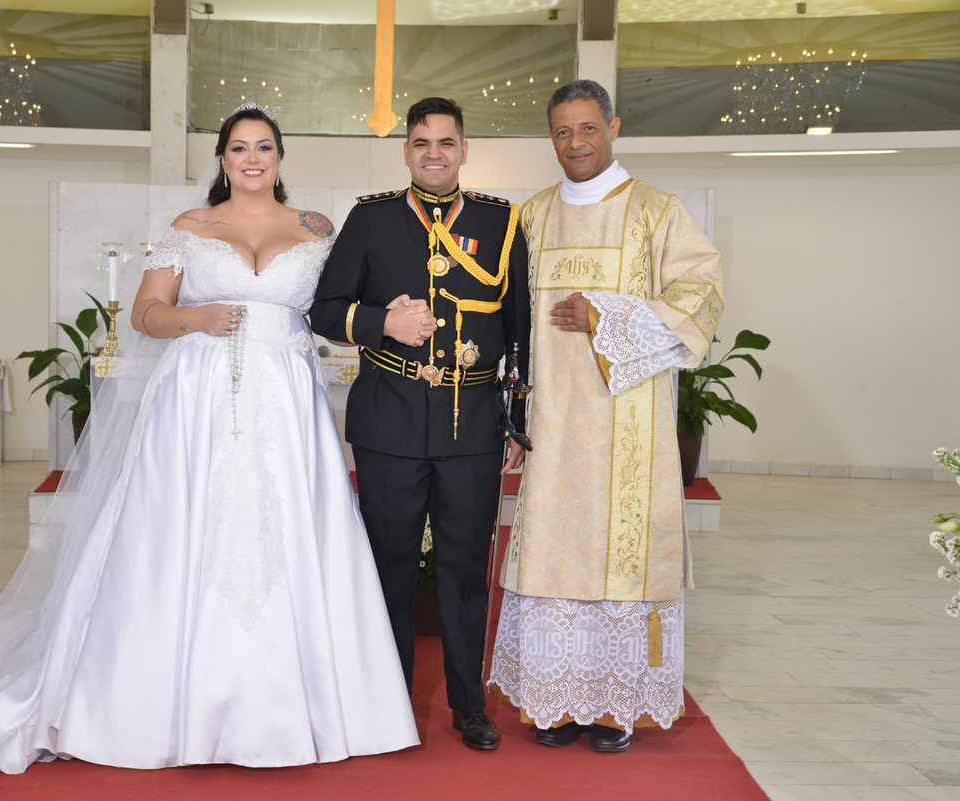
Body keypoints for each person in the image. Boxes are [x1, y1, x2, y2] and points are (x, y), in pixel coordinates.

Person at [0, 103, 419, 772]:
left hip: (286, 401)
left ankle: (302, 700)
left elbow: (332, 316)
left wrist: (386, 316)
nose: (252, 158)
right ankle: (153, 698)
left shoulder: (316, 228)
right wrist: (195, 315)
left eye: (264, 147)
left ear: (280, 157)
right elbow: (145, 313)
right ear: (220, 159)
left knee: (288, 530)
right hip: (196, 397)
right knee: (182, 535)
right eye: (239, 148)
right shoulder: (191, 227)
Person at [487, 80, 723, 753]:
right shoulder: (532, 215)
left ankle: (617, 707)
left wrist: (608, 314)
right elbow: (507, 313)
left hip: (629, 426)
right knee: (556, 560)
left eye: (588, 128)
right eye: (562, 131)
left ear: (613, 127)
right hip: (555, 427)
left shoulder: (656, 210)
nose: (575, 143)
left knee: (617, 561)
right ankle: (555, 701)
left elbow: (702, 292)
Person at [310, 97, 530, 751]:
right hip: (390, 423)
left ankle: (469, 707)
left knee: (465, 572)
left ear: (464, 150)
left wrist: (515, 421)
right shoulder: (372, 218)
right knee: (388, 567)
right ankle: (387, 703)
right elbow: (324, 310)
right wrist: (382, 322)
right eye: (421, 142)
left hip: (472, 427)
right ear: (406, 151)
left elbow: (516, 326)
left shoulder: (500, 222)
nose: (434, 153)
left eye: (446, 142)